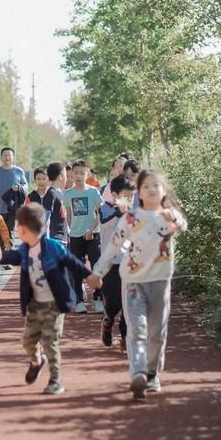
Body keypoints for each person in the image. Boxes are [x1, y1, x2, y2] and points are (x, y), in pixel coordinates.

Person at [86, 168, 187, 401]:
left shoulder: (168, 215)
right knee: (137, 330)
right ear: (139, 193)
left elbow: (183, 225)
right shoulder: (130, 218)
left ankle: (152, 373)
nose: (151, 190)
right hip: (133, 282)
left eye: (156, 186)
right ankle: (138, 373)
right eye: (146, 186)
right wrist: (97, 272)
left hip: (160, 282)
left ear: (163, 191)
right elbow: (113, 246)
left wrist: (176, 220)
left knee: (156, 332)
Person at [0, 202, 92, 395]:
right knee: (28, 341)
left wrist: (90, 276)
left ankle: (55, 380)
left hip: (54, 304)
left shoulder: (53, 247)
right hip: (34, 305)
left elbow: (73, 262)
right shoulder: (25, 249)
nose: (18, 230)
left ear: (25, 229)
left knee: (50, 342)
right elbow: (12, 257)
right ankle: (37, 361)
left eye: (19, 227)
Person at [98, 173, 135, 352]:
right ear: (114, 195)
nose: (130, 199)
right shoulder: (104, 209)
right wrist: (119, 212)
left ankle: (125, 337)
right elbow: (104, 223)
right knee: (113, 304)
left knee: (128, 304)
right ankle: (107, 322)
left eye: (132, 196)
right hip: (110, 266)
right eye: (126, 196)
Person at [63, 159, 103, 314]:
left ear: (88, 174)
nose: (79, 176)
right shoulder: (68, 194)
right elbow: (68, 214)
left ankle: (98, 299)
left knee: (96, 267)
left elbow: (100, 213)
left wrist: (91, 229)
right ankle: (79, 300)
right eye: (76, 173)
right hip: (75, 236)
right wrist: (71, 230)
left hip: (93, 235)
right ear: (72, 175)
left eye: (82, 173)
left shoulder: (93, 192)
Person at [0, 147, 28, 237]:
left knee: (9, 233)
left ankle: (8, 246)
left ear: (13, 157)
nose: (7, 157)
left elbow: (25, 187)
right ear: (1, 157)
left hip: (12, 208)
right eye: (4, 155)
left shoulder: (19, 171)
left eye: (9, 155)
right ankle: (2, 246)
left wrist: (19, 188)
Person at [26, 163, 68, 244]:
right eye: (38, 179)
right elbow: (46, 218)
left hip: (61, 237)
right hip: (53, 238)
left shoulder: (59, 193)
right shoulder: (50, 194)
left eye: (43, 178)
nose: (41, 181)